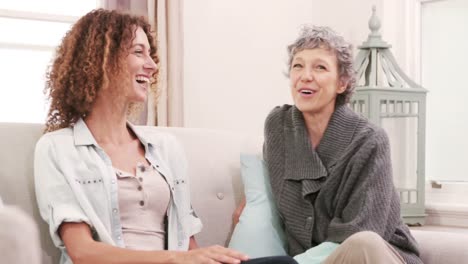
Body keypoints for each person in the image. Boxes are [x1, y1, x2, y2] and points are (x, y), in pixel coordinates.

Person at [34, 9, 297, 264]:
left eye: (151, 55)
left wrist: (202, 259)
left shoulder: (165, 147)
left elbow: (187, 242)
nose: (152, 65)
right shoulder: (58, 148)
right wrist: (176, 259)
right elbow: (83, 253)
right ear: (102, 59)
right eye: (139, 52)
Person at [237, 26, 422, 264]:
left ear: (341, 83)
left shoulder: (370, 140)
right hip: (308, 260)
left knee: (363, 242)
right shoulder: (278, 126)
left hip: (374, 256)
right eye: (298, 65)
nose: (305, 76)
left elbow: (362, 232)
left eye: (320, 67)